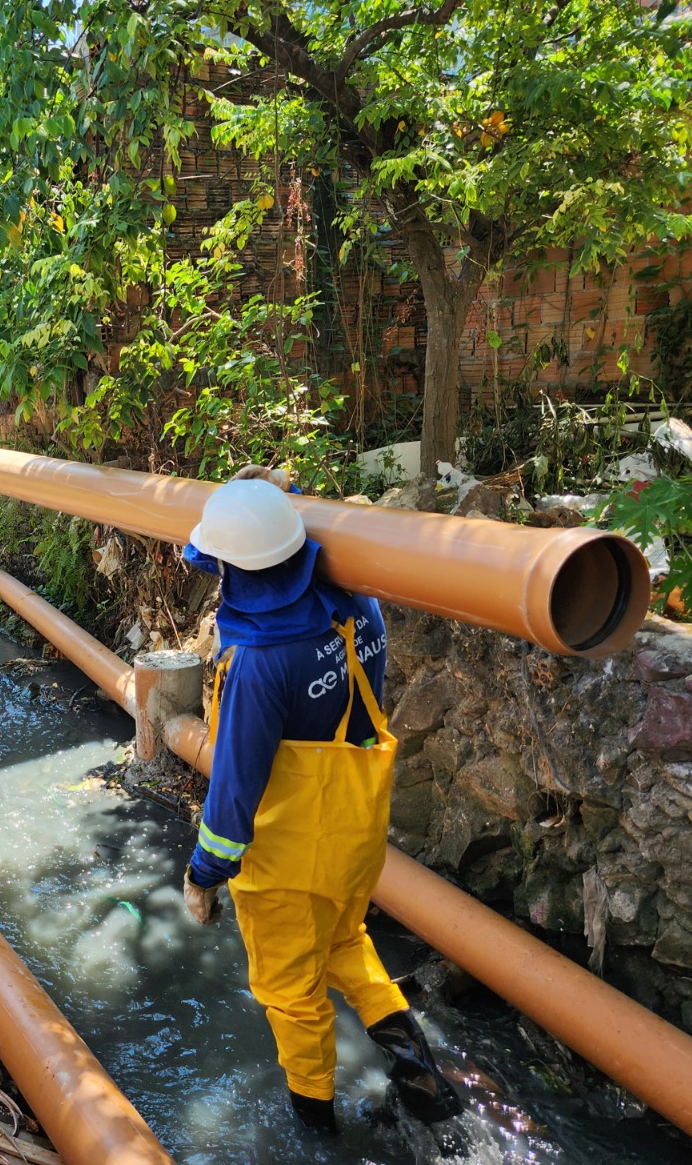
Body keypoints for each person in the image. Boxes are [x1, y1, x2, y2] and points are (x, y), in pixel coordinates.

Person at [180, 469, 461, 1135]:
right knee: (346, 946)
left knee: (291, 994)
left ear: (234, 571)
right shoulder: (356, 606)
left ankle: (314, 1124)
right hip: (355, 836)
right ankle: (425, 1084)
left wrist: (203, 874)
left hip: (287, 860)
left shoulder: (257, 663)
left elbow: (236, 789)